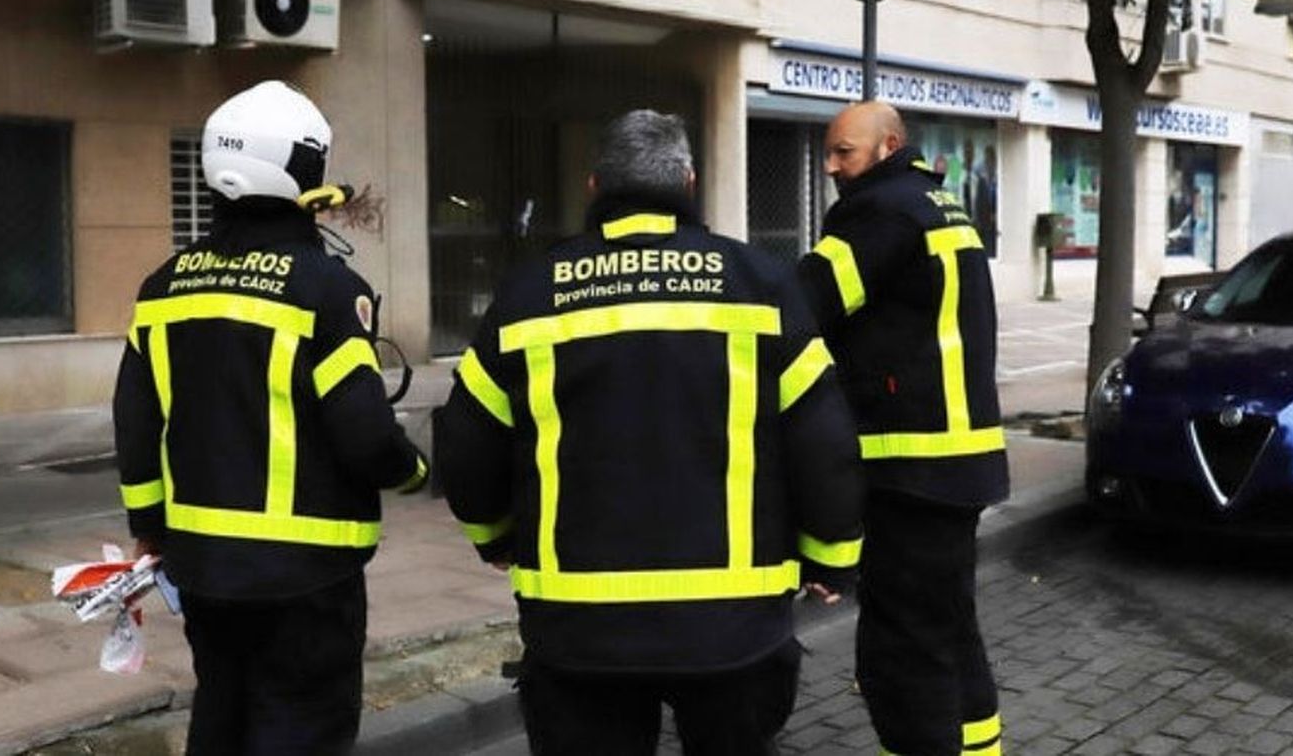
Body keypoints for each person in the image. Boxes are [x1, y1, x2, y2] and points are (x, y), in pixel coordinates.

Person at [435, 109, 864, 755]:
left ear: (593, 187)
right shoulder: (760, 284)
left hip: (578, 632)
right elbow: (824, 440)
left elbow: (467, 438)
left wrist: (493, 535)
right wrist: (831, 555)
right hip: (735, 628)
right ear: (689, 182)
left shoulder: (530, 293)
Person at [113, 80, 427, 756]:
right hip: (308, 573)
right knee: (301, 728)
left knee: (220, 718)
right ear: (303, 172)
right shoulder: (326, 290)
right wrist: (417, 471)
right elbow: (366, 435)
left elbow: (135, 424)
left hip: (199, 566)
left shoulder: (163, 287)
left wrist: (149, 529)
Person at [798, 101, 1010, 756]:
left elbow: (804, 302)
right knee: (950, 628)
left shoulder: (881, 211)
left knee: (900, 650)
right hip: (958, 461)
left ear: (888, 146)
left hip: (909, 467)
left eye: (844, 153)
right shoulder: (938, 205)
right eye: (830, 153)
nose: (832, 168)